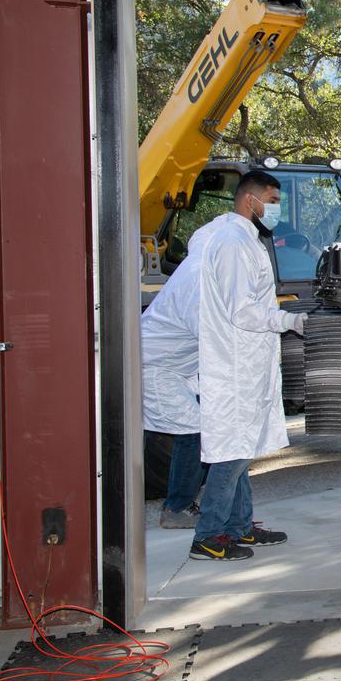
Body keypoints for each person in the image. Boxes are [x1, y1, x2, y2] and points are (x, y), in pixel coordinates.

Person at [191, 170, 307, 562]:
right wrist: (287, 320)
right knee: (233, 453)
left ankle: (239, 527)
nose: (275, 209)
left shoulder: (245, 238)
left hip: (248, 363)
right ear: (250, 200)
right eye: (272, 200)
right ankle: (207, 536)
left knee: (243, 448)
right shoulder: (232, 243)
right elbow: (244, 310)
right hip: (234, 365)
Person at [140, 217, 223, 528]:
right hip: (158, 369)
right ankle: (177, 508)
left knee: (169, 433)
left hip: (173, 367)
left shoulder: (198, 270)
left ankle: (167, 499)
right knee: (194, 433)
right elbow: (209, 329)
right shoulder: (199, 278)